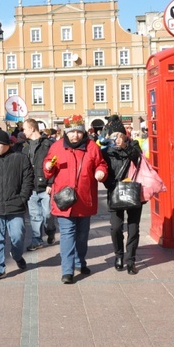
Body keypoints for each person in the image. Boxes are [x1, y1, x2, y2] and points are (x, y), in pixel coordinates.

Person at [44, 115, 107, 284]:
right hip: (64, 199)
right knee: (67, 234)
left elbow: (101, 163)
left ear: (83, 132)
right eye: (71, 132)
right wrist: (48, 167)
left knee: (82, 234)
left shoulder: (92, 147)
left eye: (78, 132)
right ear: (66, 132)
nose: (75, 136)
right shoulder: (57, 147)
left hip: (84, 198)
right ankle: (67, 270)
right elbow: (48, 167)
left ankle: (80, 262)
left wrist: (101, 171)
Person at [0, 130, 34, 281]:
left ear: (6, 144)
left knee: (17, 236)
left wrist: (22, 198)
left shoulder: (21, 159)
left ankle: (16, 255)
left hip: (15, 205)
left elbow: (28, 180)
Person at [101, 128, 143, 274]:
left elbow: (137, 157)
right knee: (116, 227)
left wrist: (125, 146)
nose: (116, 139)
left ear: (125, 136)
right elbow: (103, 170)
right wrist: (110, 183)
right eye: (113, 136)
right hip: (115, 191)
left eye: (119, 136)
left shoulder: (134, 146)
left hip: (133, 191)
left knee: (133, 227)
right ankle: (119, 255)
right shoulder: (106, 151)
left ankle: (131, 260)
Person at [22, 118, 56, 251]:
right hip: (31, 187)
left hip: (45, 186)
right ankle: (36, 240)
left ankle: (51, 230)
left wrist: (51, 182)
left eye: (25, 129)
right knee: (35, 216)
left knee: (48, 214)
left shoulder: (48, 144)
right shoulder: (25, 148)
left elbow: (54, 164)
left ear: (32, 128)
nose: (23, 132)